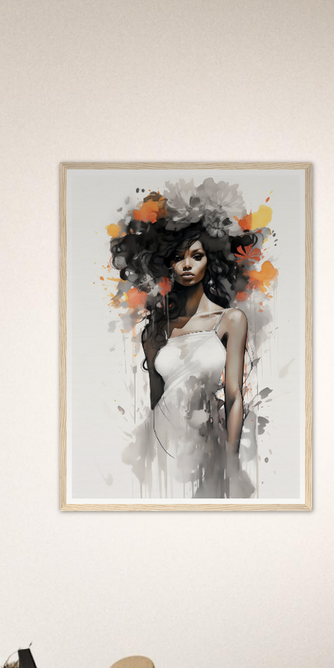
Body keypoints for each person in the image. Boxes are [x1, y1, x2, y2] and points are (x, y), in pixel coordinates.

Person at [110, 186, 264, 499]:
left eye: (196, 256)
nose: (187, 265)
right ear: (168, 265)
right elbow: (156, 400)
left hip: (208, 444)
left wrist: (231, 461)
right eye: (178, 258)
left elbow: (235, 397)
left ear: (211, 259)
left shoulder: (231, 320)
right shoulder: (156, 330)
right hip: (160, 444)